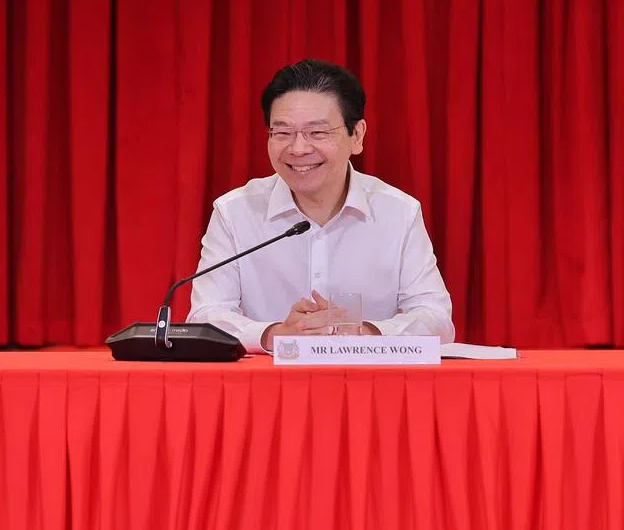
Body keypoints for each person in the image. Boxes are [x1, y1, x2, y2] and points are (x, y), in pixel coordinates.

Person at [186, 59, 453, 353]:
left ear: (357, 136)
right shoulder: (234, 212)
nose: (298, 148)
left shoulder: (398, 212)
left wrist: (367, 334)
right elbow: (205, 316)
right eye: (283, 133)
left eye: (318, 133)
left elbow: (436, 318)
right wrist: (277, 334)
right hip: (264, 390)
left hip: (371, 389)